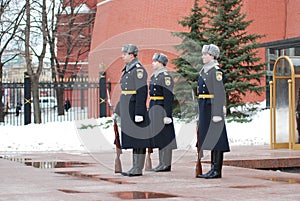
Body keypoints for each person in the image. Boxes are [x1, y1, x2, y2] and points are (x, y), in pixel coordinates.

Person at [113, 44, 149, 177]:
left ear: (132, 55)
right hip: (128, 108)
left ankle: (138, 168)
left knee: (139, 139)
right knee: (133, 139)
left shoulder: (138, 70)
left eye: (125, 53)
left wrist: (139, 112)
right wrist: (118, 110)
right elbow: (125, 93)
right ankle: (134, 166)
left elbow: (142, 92)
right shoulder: (128, 70)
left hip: (135, 109)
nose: (122, 56)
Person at [196, 44, 230, 179]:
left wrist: (217, 112)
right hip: (205, 107)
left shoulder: (216, 72)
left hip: (212, 107)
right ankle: (212, 168)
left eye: (206, 54)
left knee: (217, 139)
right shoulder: (205, 71)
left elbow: (219, 93)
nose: (203, 56)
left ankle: (216, 169)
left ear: (213, 56)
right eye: (203, 54)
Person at [148, 53, 177, 172]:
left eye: (155, 61)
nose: (153, 63)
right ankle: (161, 162)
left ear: (161, 63)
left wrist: (167, 115)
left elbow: (168, 97)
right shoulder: (155, 77)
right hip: (155, 107)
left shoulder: (165, 77)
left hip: (162, 109)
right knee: (159, 136)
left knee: (165, 136)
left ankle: (166, 163)